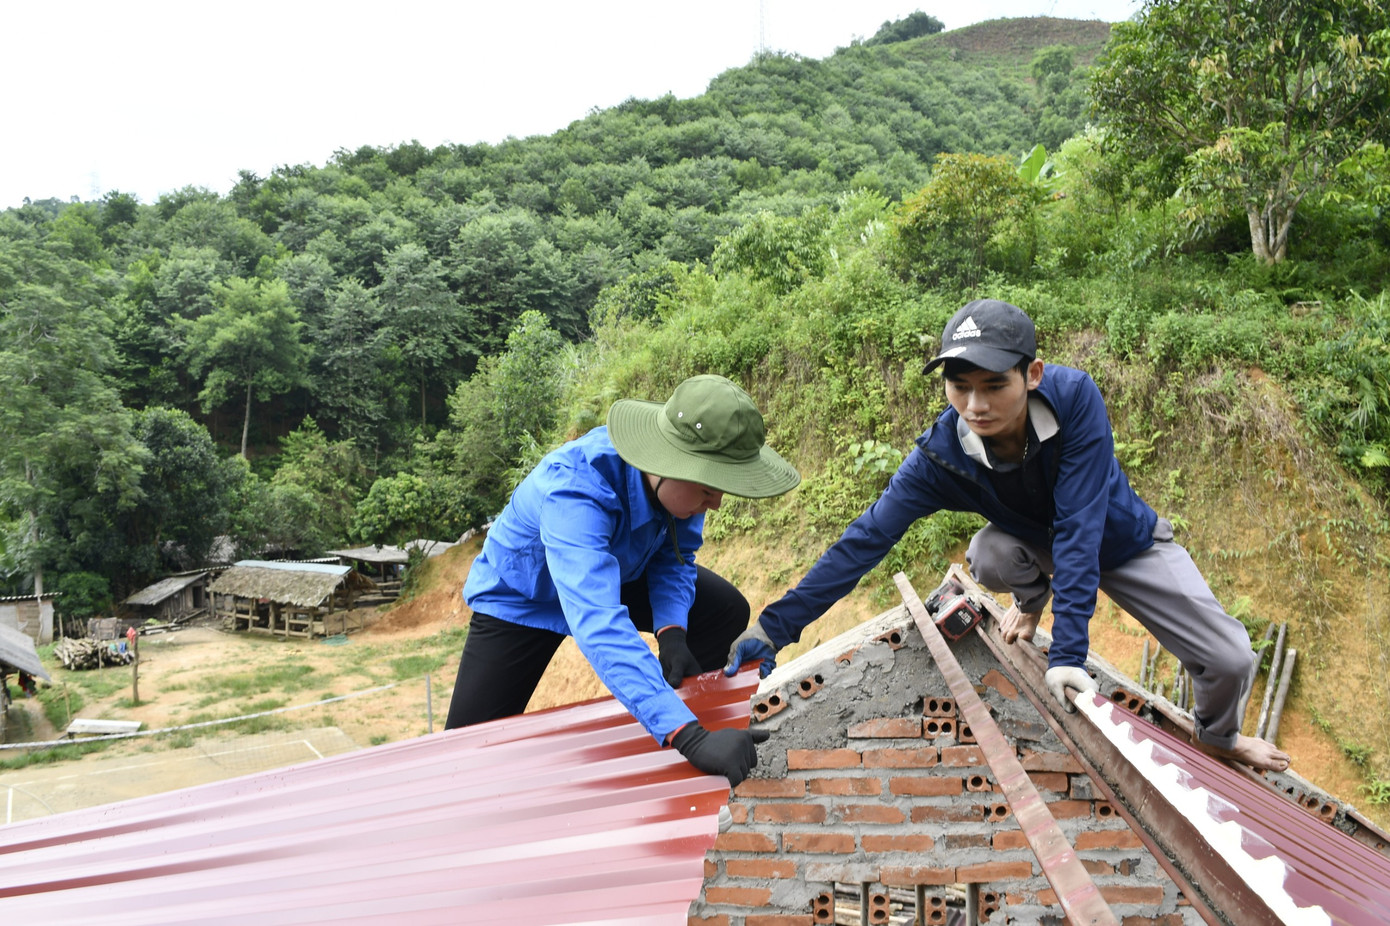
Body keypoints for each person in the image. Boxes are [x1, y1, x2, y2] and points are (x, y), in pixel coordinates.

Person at [724, 299, 1290, 773]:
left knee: (1232, 658)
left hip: (1121, 542)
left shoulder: (1075, 403)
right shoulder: (939, 458)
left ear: (1033, 374)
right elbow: (867, 537)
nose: (975, 405)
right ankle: (1029, 599)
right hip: (1032, 544)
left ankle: (1218, 740)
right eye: (959, 386)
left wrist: (1069, 653)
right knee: (987, 555)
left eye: (994, 385)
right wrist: (775, 628)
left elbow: (1080, 525)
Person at [446, 373, 800, 786]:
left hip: (616, 571)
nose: (716, 503)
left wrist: (672, 632)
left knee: (723, 610)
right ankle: (685, 731)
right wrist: (690, 739)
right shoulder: (576, 490)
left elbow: (675, 556)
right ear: (667, 463)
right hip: (524, 596)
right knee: (464, 752)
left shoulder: (683, 487)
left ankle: (692, 720)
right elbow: (598, 622)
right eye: (708, 491)